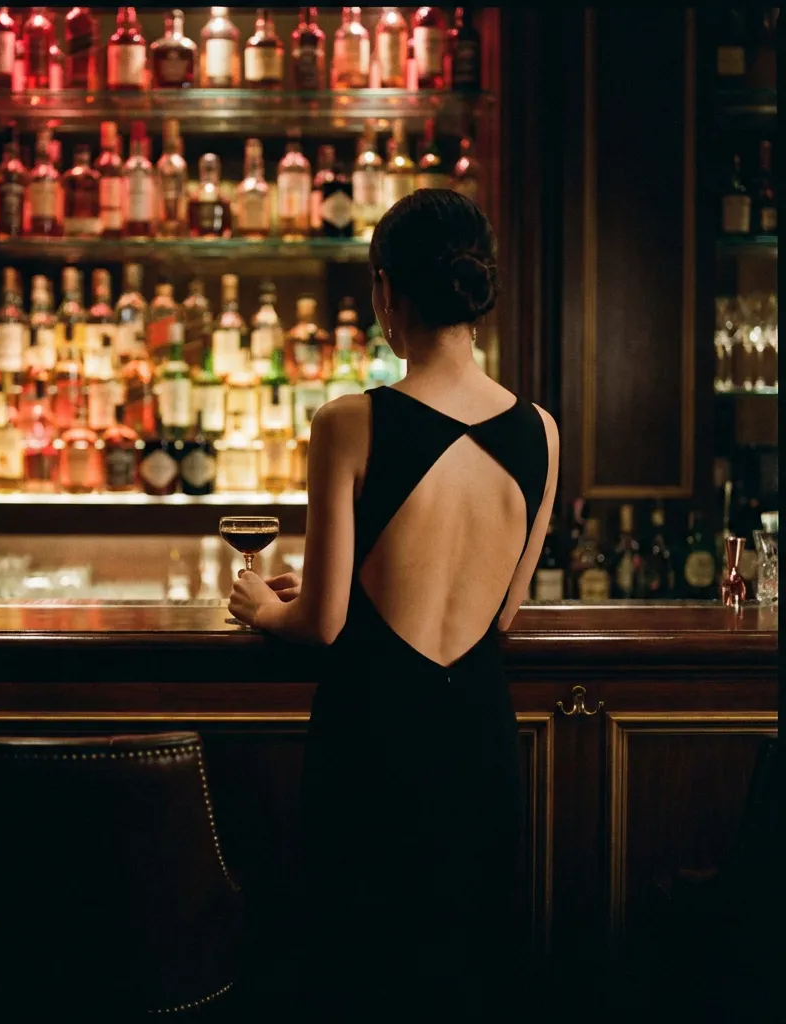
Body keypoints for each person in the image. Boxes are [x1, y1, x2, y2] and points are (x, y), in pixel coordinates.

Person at [229, 188, 560, 1019]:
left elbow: (325, 624)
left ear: (385, 292)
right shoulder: (542, 431)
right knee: (469, 978)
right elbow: (504, 612)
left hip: (372, 741)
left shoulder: (348, 422)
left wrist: (260, 608)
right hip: (479, 741)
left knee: (358, 975)